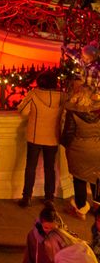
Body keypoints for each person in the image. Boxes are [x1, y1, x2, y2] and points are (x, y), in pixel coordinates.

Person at [19, 72, 64, 207]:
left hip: (35, 136)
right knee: (49, 168)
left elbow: (23, 111)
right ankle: (49, 197)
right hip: (53, 137)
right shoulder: (62, 96)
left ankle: (26, 197)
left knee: (30, 167)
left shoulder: (34, 94)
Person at [62, 88, 100, 238]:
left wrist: (66, 144)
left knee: (79, 178)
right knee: (96, 177)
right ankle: (97, 206)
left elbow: (68, 134)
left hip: (78, 150)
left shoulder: (73, 114)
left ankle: (81, 206)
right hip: (97, 150)